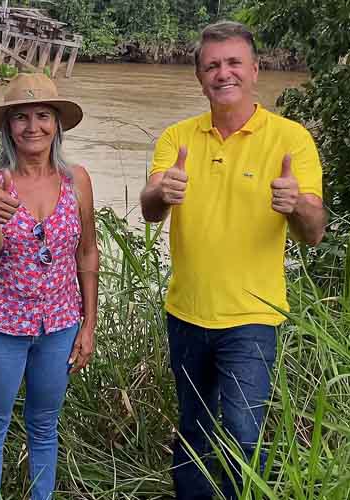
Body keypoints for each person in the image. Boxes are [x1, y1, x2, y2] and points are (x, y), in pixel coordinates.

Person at [139, 21, 327, 500]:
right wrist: (161, 191)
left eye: (233, 62)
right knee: (195, 430)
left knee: (245, 434)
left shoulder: (291, 139)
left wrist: (298, 204)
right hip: (186, 312)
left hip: (253, 317)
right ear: (199, 77)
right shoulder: (177, 138)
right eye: (212, 65)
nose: (224, 73)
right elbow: (149, 209)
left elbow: (315, 232)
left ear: (256, 70)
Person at [0, 73, 99, 500]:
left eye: (43, 115)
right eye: (20, 117)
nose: (32, 126)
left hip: (59, 324)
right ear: (8, 127)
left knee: (44, 425)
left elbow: (87, 252)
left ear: (57, 123)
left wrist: (88, 324)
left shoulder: (77, 179)